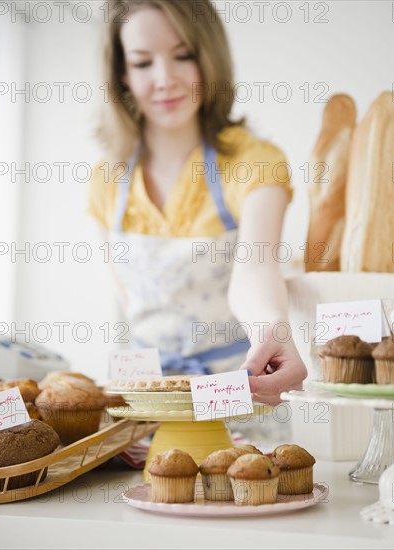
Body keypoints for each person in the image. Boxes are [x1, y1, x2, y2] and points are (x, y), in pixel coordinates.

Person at [89, 0, 307, 407]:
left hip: (241, 395)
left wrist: (272, 328)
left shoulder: (253, 161)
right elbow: (131, 304)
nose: (164, 79)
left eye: (183, 55)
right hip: (148, 402)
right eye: (141, 63)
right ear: (121, 73)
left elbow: (256, 267)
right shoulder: (106, 179)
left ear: (209, 58)